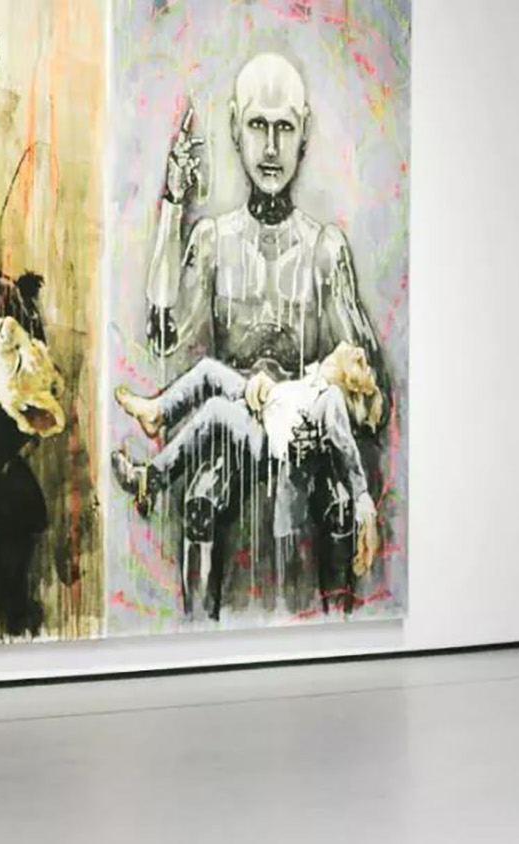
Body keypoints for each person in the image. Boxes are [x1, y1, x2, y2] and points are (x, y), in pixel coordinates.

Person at [140, 52, 389, 615]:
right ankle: (199, 640)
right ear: (235, 127)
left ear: (305, 133)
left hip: (305, 447)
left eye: (284, 127)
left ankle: (338, 638)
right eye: (258, 125)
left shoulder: (324, 250)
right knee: (201, 500)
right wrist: (172, 207)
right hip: (233, 442)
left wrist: (329, 422)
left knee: (335, 507)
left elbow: (371, 395)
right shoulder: (214, 242)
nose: (271, 147)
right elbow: (162, 334)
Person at [110, 342, 383, 579]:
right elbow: (287, 407)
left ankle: (150, 479)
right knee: (208, 369)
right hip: (261, 414)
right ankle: (157, 412)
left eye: (363, 365)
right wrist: (265, 389)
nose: (359, 352)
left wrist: (362, 498)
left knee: (216, 410)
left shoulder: (332, 398)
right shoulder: (313, 380)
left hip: (264, 442)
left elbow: (345, 447)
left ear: (351, 386)